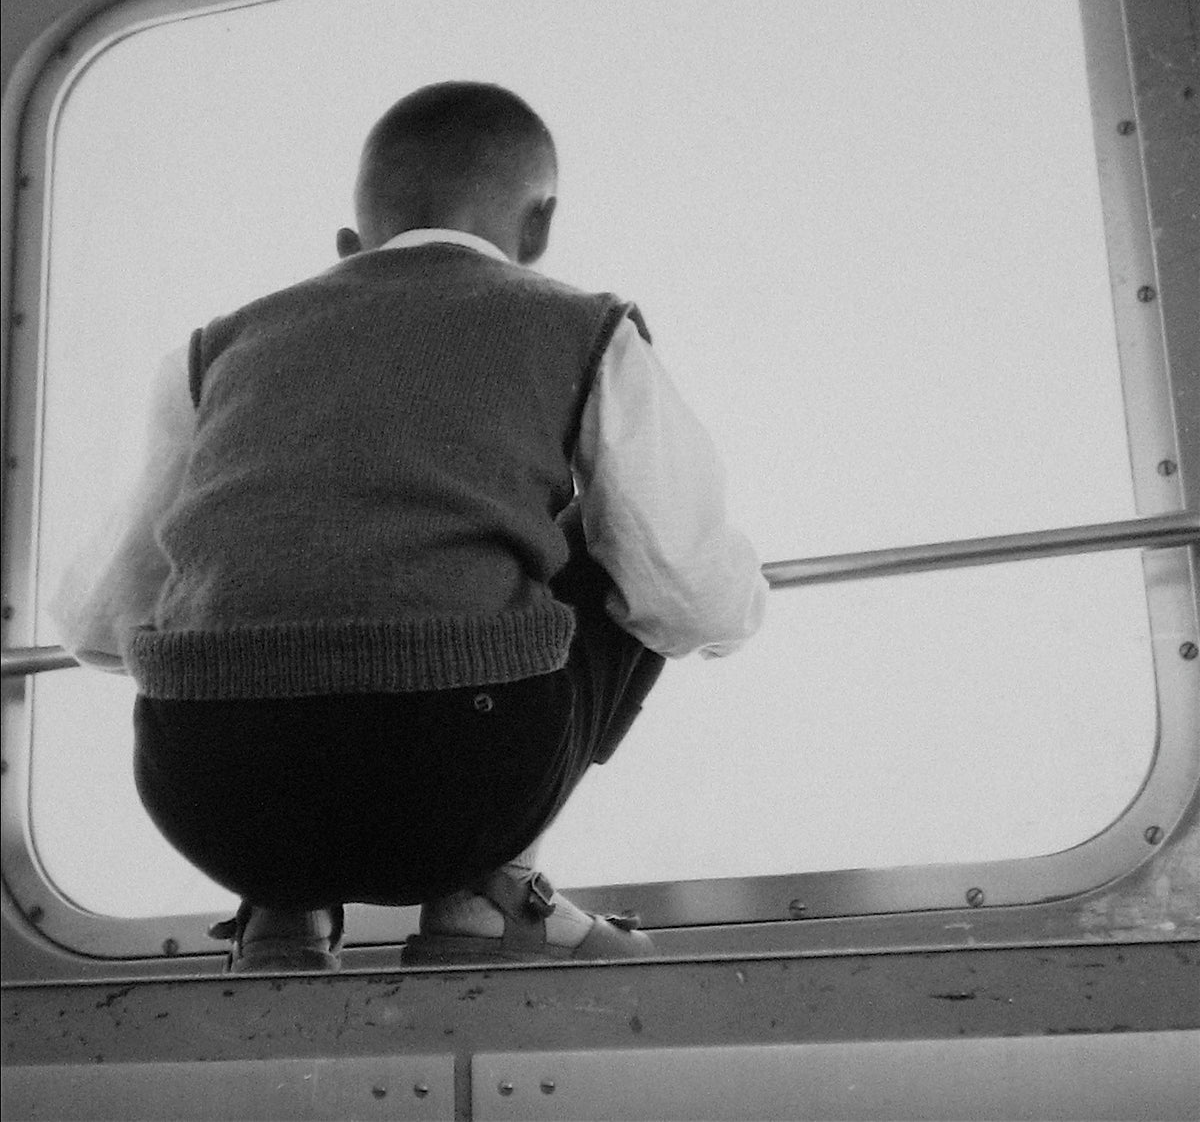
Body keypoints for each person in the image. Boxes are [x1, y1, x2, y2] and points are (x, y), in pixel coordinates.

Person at [53, 81, 767, 972]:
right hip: (461, 787)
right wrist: (740, 609)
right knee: (622, 539)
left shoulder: (212, 351)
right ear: (538, 228)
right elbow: (685, 593)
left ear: (350, 248)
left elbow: (96, 627)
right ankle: (480, 906)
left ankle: (284, 917)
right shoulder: (585, 327)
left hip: (208, 799)